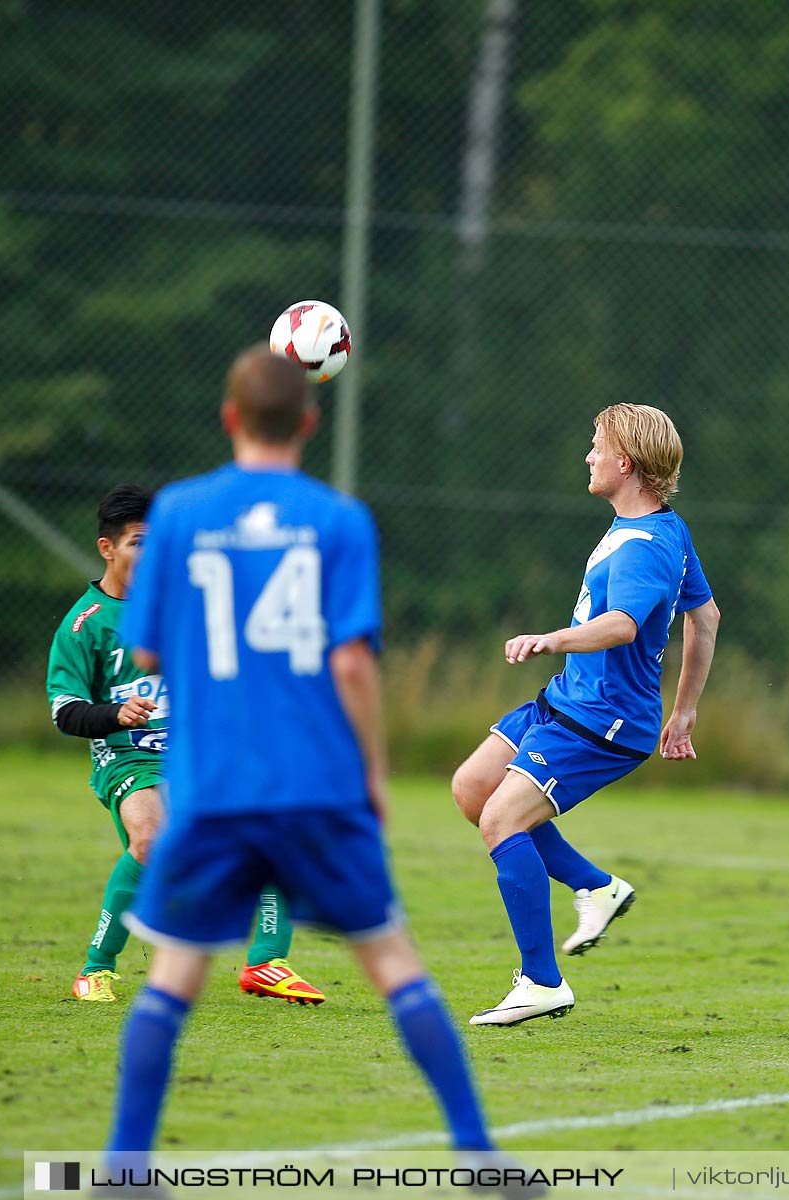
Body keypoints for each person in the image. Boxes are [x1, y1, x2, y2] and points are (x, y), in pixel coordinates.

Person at [105, 349, 520, 1180]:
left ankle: (124, 1171)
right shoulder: (338, 520)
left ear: (229, 419)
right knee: (394, 964)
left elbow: (144, 644)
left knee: (173, 976)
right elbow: (354, 666)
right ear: (309, 421)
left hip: (213, 789)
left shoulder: (180, 513)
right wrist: (371, 773)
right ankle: (481, 1161)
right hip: (315, 787)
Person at [452, 403, 721, 1026]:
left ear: (625, 463)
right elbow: (703, 618)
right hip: (569, 701)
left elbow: (623, 626)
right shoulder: (664, 528)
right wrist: (683, 714)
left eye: (597, 446)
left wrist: (552, 638)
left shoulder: (644, 547)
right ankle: (595, 886)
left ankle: (541, 981)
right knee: (473, 789)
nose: (589, 456)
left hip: (602, 723)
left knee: (500, 819)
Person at [48, 486, 326, 1005]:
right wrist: (113, 713)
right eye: (137, 543)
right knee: (152, 840)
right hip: (127, 756)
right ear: (107, 548)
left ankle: (266, 963)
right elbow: (65, 712)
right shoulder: (84, 624)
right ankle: (96, 969)